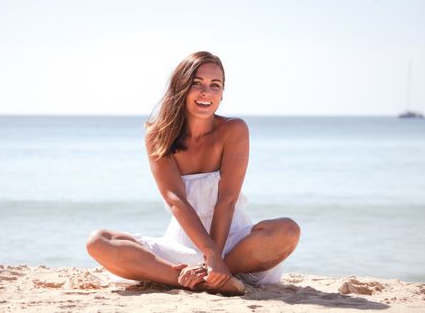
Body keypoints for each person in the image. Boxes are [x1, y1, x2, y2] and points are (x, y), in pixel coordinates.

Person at [86, 51, 300, 295]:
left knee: (287, 230)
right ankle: (196, 279)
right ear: (181, 87)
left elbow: (227, 200)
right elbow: (175, 200)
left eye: (215, 85)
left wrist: (216, 257)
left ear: (222, 93)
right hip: (182, 247)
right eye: (197, 83)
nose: (206, 92)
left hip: (233, 248)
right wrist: (207, 256)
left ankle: (215, 273)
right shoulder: (158, 135)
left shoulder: (233, 130)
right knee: (99, 241)